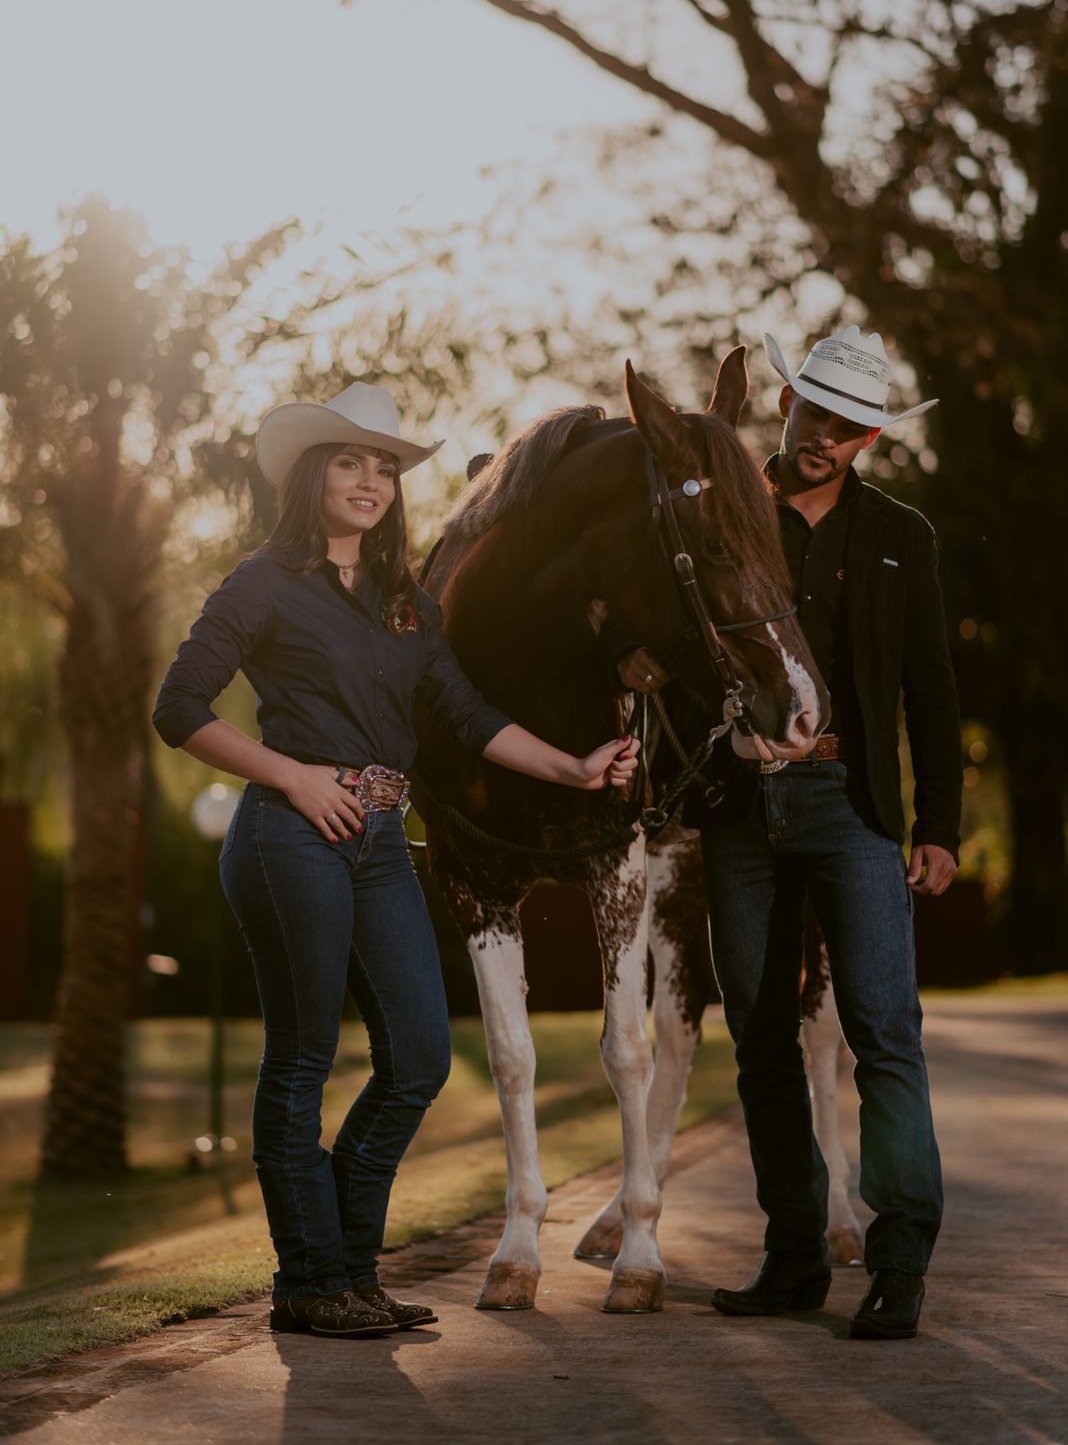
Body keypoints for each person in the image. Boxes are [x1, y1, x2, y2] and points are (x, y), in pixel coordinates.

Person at [152, 380, 639, 1340]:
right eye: (349, 461)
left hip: (379, 838)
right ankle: (313, 1279)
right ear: (309, 474)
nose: (370, 481)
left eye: (384, 467)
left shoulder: (408, 605)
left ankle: (344, 1267)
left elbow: (466, 713)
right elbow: (180, 709)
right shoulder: (261, 584)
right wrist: (293, 777)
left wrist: (574, 765)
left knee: (417, 1057)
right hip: (291, 835)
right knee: (301, 1062)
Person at [617, 326, 961, 1340]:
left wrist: (937, 825)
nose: (829, 438)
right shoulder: (720, 509)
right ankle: (794, 1257)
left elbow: (931, 691)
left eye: (852, 428)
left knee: (885, 1034)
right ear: (785, 408)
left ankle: (898, 1261)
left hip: (849, 799)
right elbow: (662, 628)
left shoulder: (905, 535)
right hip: (739, 808)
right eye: (818, 415)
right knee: (760, 1044)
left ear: (869, 440)